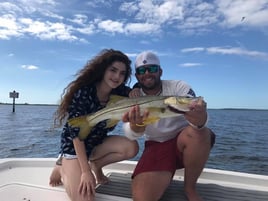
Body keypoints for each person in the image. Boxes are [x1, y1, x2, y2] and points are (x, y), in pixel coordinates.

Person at [122, 51, 216, 201]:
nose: (147, 73)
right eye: (141, 70)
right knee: (142, 198)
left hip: (182, 143)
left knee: (200, 132)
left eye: (152, 69)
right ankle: (164, 172)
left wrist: (201, 118)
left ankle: (190, 188)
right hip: (155, 146)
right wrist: (136, 127)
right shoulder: (133, 97)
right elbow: (130, 134)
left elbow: (197, 115)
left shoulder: (178, 87)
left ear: (160, 71)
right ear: (137, 75)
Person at [49, 49, 139, 201]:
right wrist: (85, 171)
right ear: (103, 70)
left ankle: (96, 166)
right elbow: (75, 133)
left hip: (96, 143)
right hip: (74, 147)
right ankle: (61, 166)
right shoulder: (84, 91)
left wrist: (136, 89)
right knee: (86, 198)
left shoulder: (121, 92)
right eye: (113, 70)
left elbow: (140, 91)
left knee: (131, 147)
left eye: (122, 73)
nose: (117, 76)